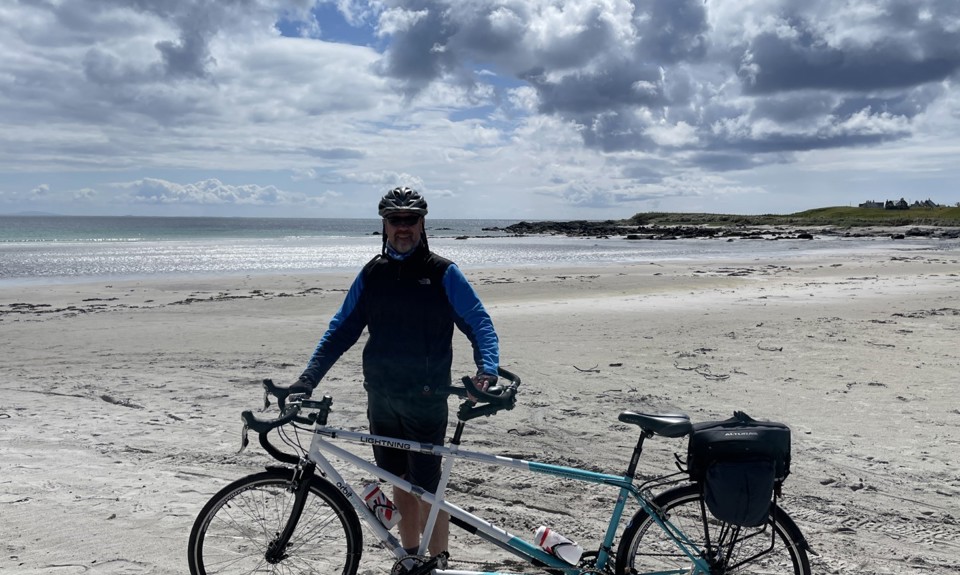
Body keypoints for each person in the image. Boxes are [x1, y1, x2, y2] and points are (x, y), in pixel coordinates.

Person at [284, 186, 500, 561]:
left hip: (426, 400)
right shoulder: (372, 274)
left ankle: (439, 562)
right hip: (381, 398)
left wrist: (487, 368)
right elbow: (341, 330)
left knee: (428, 488)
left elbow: (479, 322)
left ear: (422, 223)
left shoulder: (443, 273)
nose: (403, 228)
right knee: (399, 480)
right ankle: (411, 556)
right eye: (395, 220)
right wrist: (308, 378)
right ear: (384, 225)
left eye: (410, 219)